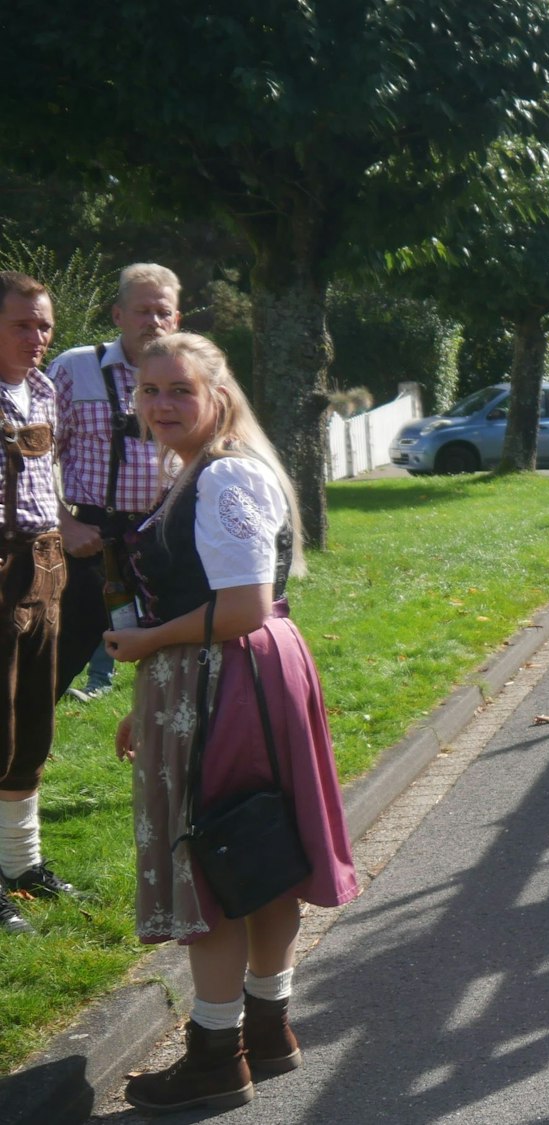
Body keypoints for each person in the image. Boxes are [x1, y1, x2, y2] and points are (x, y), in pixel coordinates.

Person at [98, 332, 358, 1111]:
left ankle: (216, 1055)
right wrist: (147, 700)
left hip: (226, 675)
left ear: (218, 393)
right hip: (229, 674)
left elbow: (242, 607)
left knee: (217, 856)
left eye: (180, 389)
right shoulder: (206, 470)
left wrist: (149, 646)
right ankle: (267, 1029)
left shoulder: (225, 474)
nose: (162, 405)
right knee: (256, 845)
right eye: (150, 391)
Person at [47, 263, 178, 704]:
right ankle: (20, 743)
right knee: (53, 660)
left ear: (177, 318)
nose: (154, 322)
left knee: (182, 657)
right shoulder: (75, 368)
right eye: (142, 311)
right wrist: (64, 524)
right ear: (118, 315)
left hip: (168, 536)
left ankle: (173, 740)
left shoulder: (193, 373)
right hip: (93, 540)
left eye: (163, 312)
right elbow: (31, 460)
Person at [0, 272, 71, 937]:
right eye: (23, 324)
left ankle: (21, 863)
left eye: (44, 324)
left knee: (32, 728)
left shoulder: (44, 389)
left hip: (45, 568)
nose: (38, 336)